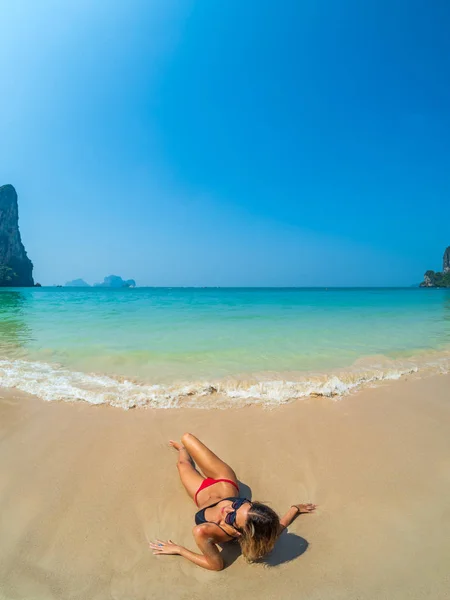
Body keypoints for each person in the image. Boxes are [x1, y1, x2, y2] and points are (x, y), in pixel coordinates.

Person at [149, 433, 316, 571]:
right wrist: (295, 508)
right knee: (187, 437)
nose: (227, 509)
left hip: (200, 492)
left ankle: (182, 449)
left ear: (240, 532)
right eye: (237, 504)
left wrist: (179, 550)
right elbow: (279, 526)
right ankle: (185, 446)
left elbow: (216, 565)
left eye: (232, 518)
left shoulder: (207, 531)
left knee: (182, 463)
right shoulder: (262, 525)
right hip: (224, 480)